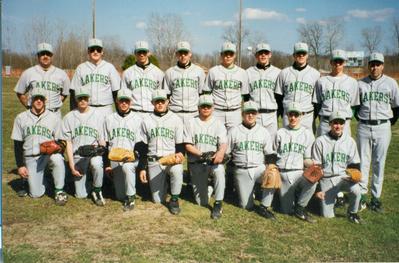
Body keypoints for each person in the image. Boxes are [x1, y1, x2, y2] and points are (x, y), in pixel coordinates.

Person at [356, 52, 399, 212]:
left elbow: (396, 107)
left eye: (378, 64)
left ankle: (376, 198)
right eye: (372, 64)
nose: (375, 67)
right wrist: (361, 118)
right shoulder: (360, 84)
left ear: (383, 65)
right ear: (369, 66)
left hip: (383, 126)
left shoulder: (391, 83)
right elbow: (355, 106)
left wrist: (388, 122)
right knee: (363, 162)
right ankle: (361, 196)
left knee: (379, 163)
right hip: (364, 126)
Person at [11, 88, 67, 205]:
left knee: (57, 159)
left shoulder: (54, 117)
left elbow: (62, 141)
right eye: (36, 98)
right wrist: (20, 166)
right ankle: (31, 180)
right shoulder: (21, 118)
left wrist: (58, 148)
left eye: (41, 98)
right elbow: (17, 144)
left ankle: (59, 191)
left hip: (48, 155)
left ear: (45, 101)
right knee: (36, 194)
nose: (39, 101)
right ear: (31, 100)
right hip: (30, 157)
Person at [227, 101, 277, 219]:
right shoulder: (234, 131)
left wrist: (271, 167)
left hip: (258, 169)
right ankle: (250, 192)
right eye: (247, 113)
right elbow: (227, 153)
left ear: (257, 114)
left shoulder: (263, 131)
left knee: (273, 174)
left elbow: (270, 153)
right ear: (242, 114)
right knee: (246, 206)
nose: (250, 115)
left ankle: (264, 206)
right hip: (241, 170)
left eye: (253, 113)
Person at [138, 90, 185, 215]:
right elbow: (143, 146)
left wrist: (180, 154)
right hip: (154, 160)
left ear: (167, 102)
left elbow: (180, 143)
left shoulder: (176, 119)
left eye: (162, 101)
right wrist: (142, 168)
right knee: (157, 200)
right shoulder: (146, 120)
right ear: (152, 103)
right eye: (156, 101)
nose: (160, 104)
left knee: (177, 170)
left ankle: (174, 199)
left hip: (170, 159)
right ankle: (166, 186)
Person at [312, 111, 362, 223]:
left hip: (343, 178)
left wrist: (354, 176)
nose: (338, 126)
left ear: (344, 124)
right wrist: (318, 189)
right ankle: (325, 201)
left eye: (341, 123)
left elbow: (354, 164)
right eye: (335, 123)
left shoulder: (350, 141)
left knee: (356, 190)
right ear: (330, 124)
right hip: (326, 179)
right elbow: (316, 167)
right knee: (327, 216)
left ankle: (352, 212)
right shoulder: (320, 141)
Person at [60, 87, 106, 206]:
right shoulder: (69, 117)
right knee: (81, 195)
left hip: (93, 153)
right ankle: (88, 180)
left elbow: (102, 140)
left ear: (89, 99)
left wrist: (101, 149)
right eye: (80, 98)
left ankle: (97, 190)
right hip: (77, 155)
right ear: (76, 100)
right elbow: (68, 143)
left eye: (85, 98)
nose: (82, 101)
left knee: (96, 163)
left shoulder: (98, 115)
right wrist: (71, 165)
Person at [184, 95, 227, 219]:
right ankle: (210, 186)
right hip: (197, 162)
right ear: (198, 108)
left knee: (219, 171)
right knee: (201, 202)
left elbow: (223, 143)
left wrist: (220, 153)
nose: (206, 108)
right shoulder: (191, 123)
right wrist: (202, 154)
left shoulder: (218, 123)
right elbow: (188, 145)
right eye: (203, 106)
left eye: (208, 106)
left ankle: (218, 203)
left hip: (213, 163)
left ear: (213, 108)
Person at [274, 102, 316, 222]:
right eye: (290, 114)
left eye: (296, 115)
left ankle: (300, 207)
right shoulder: (280, 133)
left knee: (313, 180)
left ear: (301, 115)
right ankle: (283, 197)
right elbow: (273, 154)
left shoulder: (308, 134)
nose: (293, 118)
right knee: (285, 211)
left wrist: (315, 166)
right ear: (286, 115)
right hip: (282, 174)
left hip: (299, 173)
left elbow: (307, 159)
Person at [103, 89, 143, 211]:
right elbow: (105, 143)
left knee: (127, 167)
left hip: (130, 158)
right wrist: (107, 164)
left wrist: (134, 157)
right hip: (114, 158)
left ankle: (131, 197)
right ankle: (123, 192)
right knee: (120, 195)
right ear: (117, 101)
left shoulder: (138, 119)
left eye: (126, 101)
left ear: (130, 102)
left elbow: (140, 145)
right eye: (121, 101)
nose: (124, 103)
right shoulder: (109, 119)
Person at [14, 43, 70, 119]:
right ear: (38, 56)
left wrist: (56, 103)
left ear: (51, 56)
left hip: (54, 114)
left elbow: (65, 93)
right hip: (35, 115)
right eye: (42, 54)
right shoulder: (28, 73)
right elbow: (20, 92)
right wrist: (28, 105)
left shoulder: (61, 74)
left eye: (48, 54)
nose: (45, 56)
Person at [202, 42, 249, 131]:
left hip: (235, 112)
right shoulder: (213, 71)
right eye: (225, 54)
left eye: (230, 54)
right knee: (216, 140)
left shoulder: (242, 73)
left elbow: (245, 95)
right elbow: (206, 93)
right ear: (221, 55)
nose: (228, 56)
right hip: (217, 111)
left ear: (234, 55)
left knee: (234, 141)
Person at [275, 42, 320, 132]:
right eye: (298, 53)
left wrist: (313, 116)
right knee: (286, 143)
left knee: (307, 144)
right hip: (289, 115)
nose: (301, 55)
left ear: (307, 55)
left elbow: (317, 101)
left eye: (303, 53)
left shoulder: (315, 74)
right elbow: (278, 97)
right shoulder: (284, 73)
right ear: (294, 55)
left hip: (307, 116)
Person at [313, 49, 359, 136]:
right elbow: (317, 104)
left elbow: (354, 106)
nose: (337, 64)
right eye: (335, 61)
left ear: (344, 63)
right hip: (325, 123)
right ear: (331, 62)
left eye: (340, 61)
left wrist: (347, 119)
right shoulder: (321, 81)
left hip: (343, 123)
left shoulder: (352, 82)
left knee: (343, 149)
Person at [70, 38, 121, 116]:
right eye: (92, 49)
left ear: (102, 52)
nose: (95, 52)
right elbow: (74, 92)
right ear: (88, 51)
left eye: (98, 49)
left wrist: (119, 113)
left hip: (105, 109)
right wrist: (73, 113)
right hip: (87, 108)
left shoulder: (109, 67)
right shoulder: (81, 68)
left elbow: (116, 92)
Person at [164, 41, 206, 125]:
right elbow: (166, 95)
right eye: (180, 53)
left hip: (193, 113)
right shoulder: (170, 72)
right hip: (175, 113)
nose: (183, 55)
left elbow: (202, 94)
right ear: (176, 54)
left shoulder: (199, 71)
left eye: (185, 53)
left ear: (190, 54)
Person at [121, 41, 165, 118]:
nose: (141, 54)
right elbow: (123, 96)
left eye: (144, 52)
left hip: (152, 113)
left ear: (148, 53)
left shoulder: (158, 73)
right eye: (139, 52)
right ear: (135, 53)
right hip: (134, 113)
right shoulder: (127, 73)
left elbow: (162, 96)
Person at [246, 43, 281, 139]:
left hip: (271, 115)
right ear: (256, 56)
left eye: (266, 52)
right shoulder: (248, 72)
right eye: (260, 53)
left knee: (271, 149)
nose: (263, 55)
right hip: (254, 114)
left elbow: (280, 97)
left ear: (270, 54)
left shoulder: (278, 72)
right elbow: (246, 97)